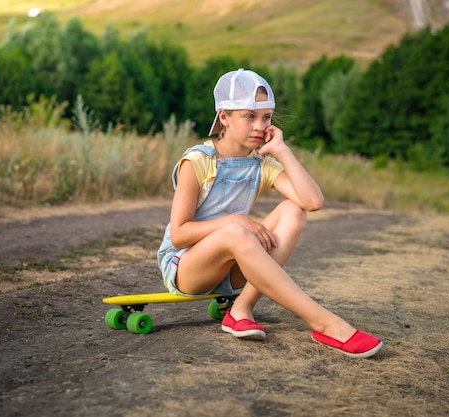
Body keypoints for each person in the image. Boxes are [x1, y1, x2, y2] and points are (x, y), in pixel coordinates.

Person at [157, 69, 383, 358]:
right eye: (249, 116)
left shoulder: (259, 164)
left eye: (266, 117)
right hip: (186, 267)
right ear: (224, 117)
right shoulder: (198, 161)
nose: (260, 126)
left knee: (294, 210)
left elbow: (312, 201)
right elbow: (178, 234)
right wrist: (234, 221)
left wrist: (282, 151)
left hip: (231, 269)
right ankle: (324, 323)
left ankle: (241, 309)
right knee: (237, 230)